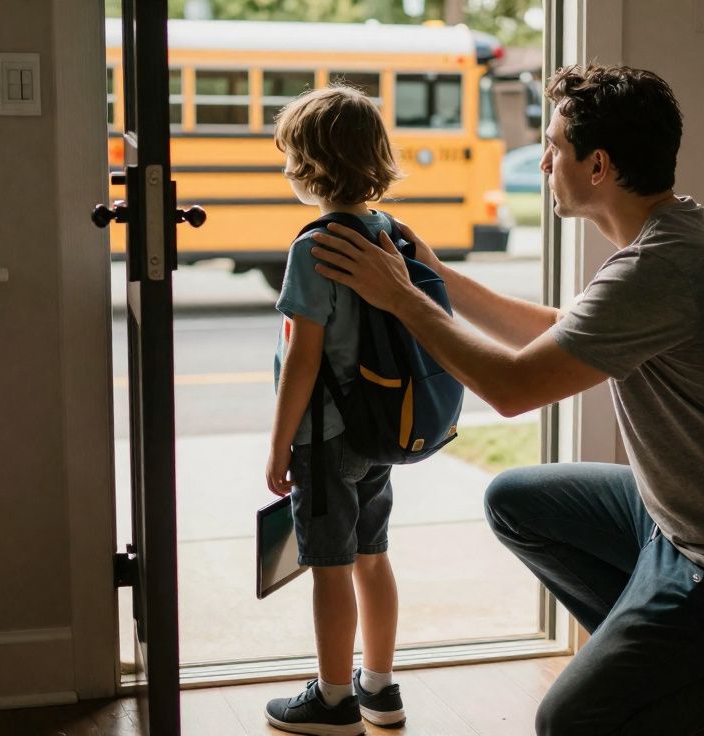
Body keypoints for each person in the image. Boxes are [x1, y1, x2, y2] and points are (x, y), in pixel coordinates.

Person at [307, 65, 704, 736]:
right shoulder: (673, 231)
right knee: (516, 501)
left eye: (554, 146)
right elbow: (556, 336)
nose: (542, 163)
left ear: (598, 166)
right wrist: (436, 276)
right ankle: (664, 678)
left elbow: (512, 388)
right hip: (681, 521)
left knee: (571, 723)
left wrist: (401, 298)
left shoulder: (659, 268)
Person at [262, 85, 408, 736]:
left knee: (329, 568)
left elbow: (303, 358)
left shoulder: (314, 247)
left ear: (309, 165)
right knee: (374, 557)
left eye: (289, 156)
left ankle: (332, 700)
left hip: (324, 438)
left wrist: (279, 445)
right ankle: (379, 686)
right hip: (376, 430)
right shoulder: (384, 232)